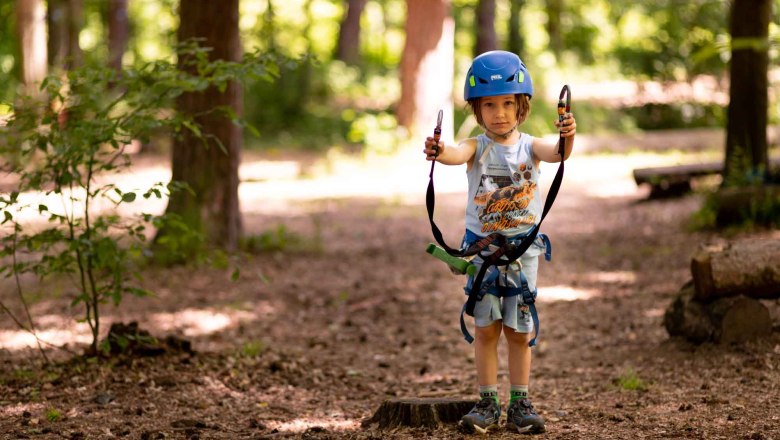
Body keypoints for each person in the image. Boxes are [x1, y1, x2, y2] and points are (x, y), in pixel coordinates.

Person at [422, 50, 576, 435]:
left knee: (519, 330)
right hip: (483, 252)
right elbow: (455, 154)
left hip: (522, 252)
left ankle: (520, 402)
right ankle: (488, 402)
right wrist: (439, 152)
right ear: (477, 109)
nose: (499, 113)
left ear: (521, 106)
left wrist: (567, 136)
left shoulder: (530, 146)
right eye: (489, 105)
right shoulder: (477, 146)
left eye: (508, 103)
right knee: (486, 328)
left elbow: (557, 154)